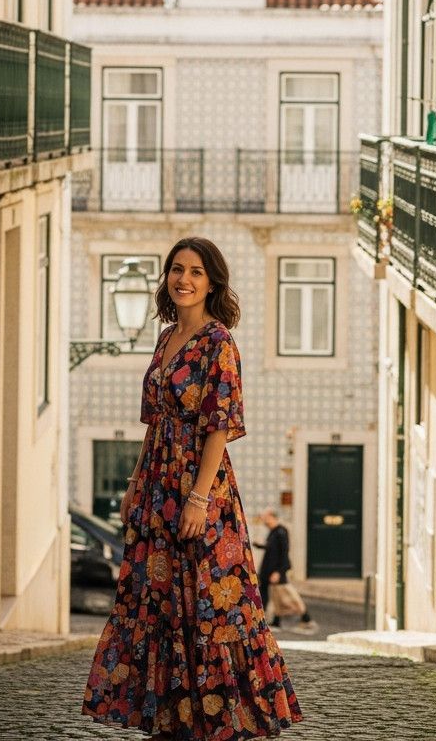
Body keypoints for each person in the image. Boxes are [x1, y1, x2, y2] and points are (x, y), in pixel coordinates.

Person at [83, 237, 302, 740]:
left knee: (208, 602)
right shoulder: (165, 339)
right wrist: (136, 483)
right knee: (159, 602)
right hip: (158, 485)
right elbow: (154, 422)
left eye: (196, 272)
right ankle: (171, 719)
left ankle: (219, 720)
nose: (183, 279)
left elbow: (219, 426)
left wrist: (199, 498)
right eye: (177, 269)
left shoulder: (218, 341)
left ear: (212, 282)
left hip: (200, 486)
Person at [255, 510, 314, 632]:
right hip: (268, 571)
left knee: (287, 595)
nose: (264, 520)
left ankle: (306, 618)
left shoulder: (281, 532)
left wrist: (278, 571)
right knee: (273, 596)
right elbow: (271, 549)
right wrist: (259, 545)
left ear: (272, 517)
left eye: (266, 517)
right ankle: (274, 622)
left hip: (276, 571)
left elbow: (284, 553)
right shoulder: (273, 532)